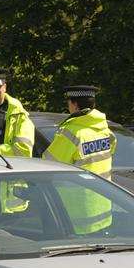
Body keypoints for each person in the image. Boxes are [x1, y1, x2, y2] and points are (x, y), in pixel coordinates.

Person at [42, 85, 116, 233]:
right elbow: (111, 149)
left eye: (69, 102)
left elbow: (47, 164)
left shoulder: (71, 132)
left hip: (76, 216)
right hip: (103, 209)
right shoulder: (103, 128)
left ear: (74, 104)